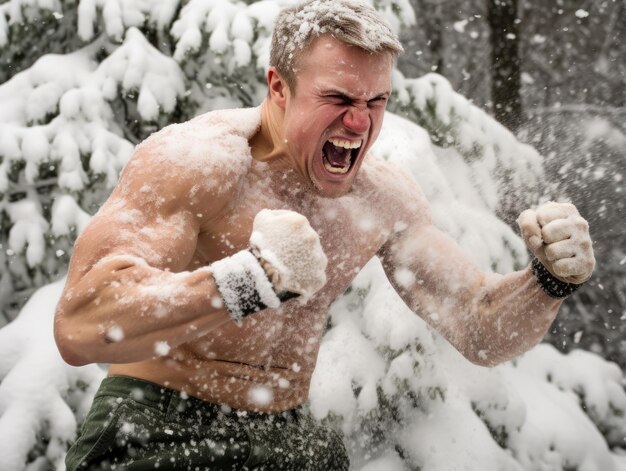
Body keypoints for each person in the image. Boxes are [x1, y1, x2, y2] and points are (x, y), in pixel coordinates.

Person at [54, 0, 596, 469]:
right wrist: (247, 282)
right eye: (338, 99)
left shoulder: (380, 196)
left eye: (375, 103)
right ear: (278, 88)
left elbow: (478, 326)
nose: (359, 124)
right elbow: (80, 325)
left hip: (286, 433)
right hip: (157, 424)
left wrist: (546, 281)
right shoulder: (199, 165)